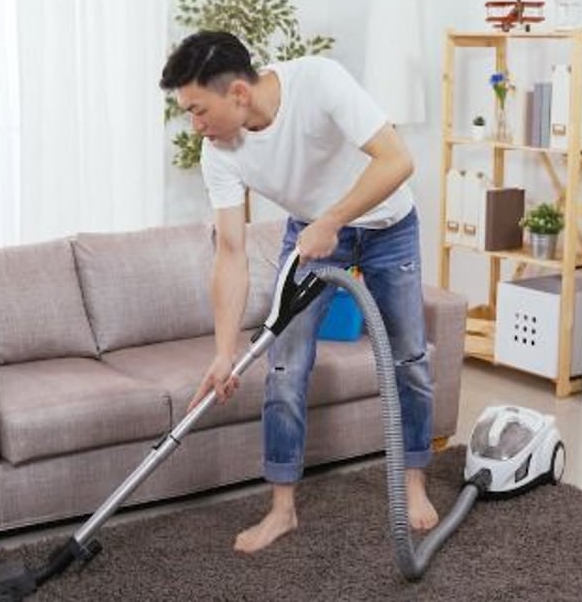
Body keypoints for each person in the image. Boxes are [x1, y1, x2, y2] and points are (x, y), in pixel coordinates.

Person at [158, 30, 438, 553]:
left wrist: (334, 219)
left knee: (409, 359)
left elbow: (397, 160)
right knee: (285, 368)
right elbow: (231, 252)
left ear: (237, 93)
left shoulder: (318, 81)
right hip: (311, 237)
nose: (195, 125)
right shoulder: (218, 151)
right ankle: (282, 508)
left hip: (387, 226)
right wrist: (223, 353)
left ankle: (412, 483)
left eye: (198, 110)